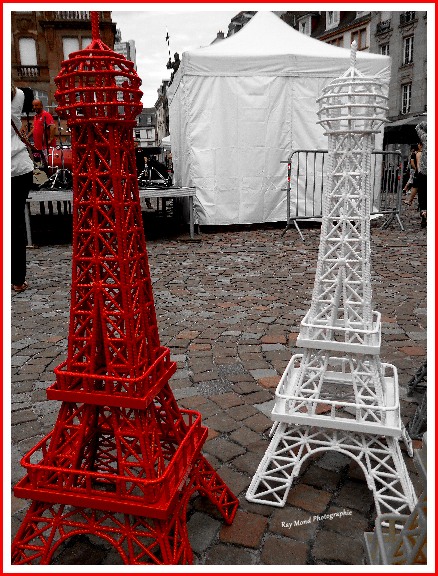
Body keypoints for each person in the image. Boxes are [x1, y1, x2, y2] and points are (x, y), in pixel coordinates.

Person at [11, 84, 35, 292]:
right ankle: (17, 279)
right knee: (15, 222)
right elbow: (27, 92)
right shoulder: (17, 95)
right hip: (19, 167)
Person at [415, 121, 427, 228]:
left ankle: (423, 212)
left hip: (424, 171)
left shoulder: (426, 138)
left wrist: (424, 124)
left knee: (423, 192)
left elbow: (417, 127)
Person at [403, 142, 422, 208]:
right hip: (418, 171)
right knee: (415, 185)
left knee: (415, 185)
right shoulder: (416, 153)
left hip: (418, 172)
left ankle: (407, 193)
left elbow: (412, 162)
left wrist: (416, 169)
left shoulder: (417, 154)